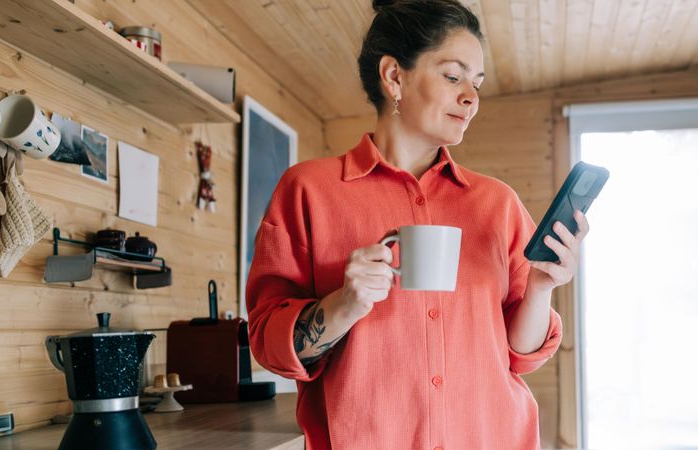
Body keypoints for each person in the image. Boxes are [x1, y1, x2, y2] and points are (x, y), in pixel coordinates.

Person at [245, 1, 589, 448]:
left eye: (477, 82)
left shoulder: (498, 203)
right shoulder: (309, 190)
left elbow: (519, 356)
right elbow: (270, 345)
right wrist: (345, 304)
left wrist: (542, 287)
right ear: (394, 77)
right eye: (453, 76)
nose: (472, 96)